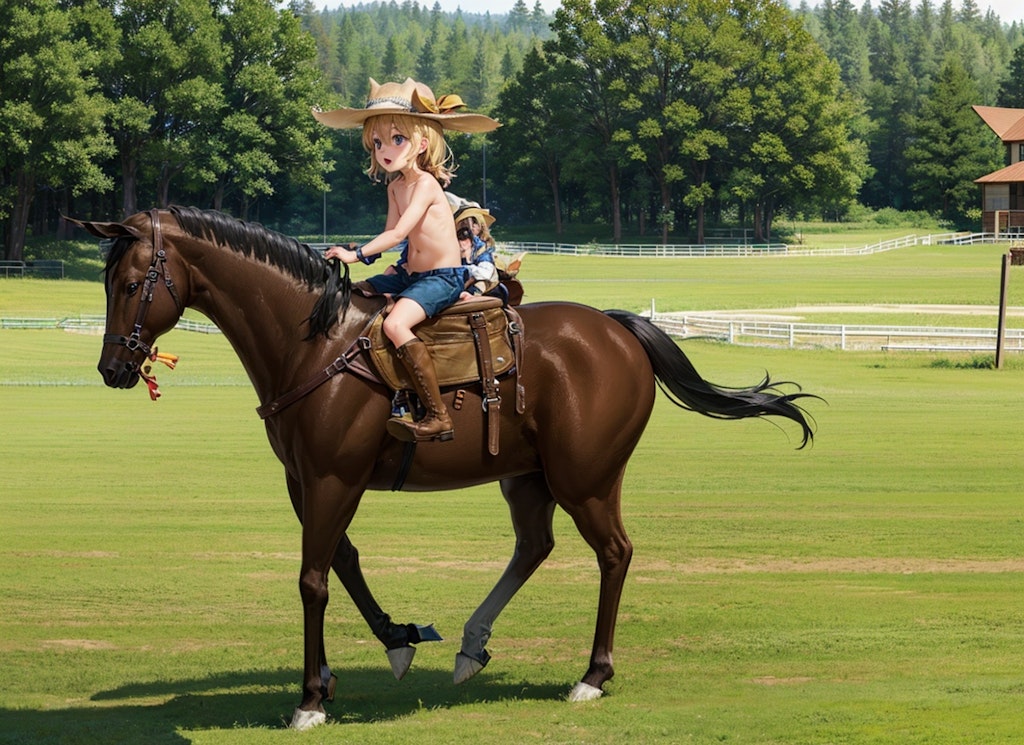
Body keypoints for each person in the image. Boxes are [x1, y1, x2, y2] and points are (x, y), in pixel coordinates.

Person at [314, 78, 500, 443]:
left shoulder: (427, 186)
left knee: (396, 325)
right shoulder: (394, 186)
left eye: (397, 139)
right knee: (356, 295)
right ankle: (386, 391)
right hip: (410, 275)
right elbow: (389, 236)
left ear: (422, 143)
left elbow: (398, 234)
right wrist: (371, 268)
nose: (386, 150)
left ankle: (437, 414)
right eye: (379, 142)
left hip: (442, 278)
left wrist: (355, 254)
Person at [453, 202, 499, 298]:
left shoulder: (482, 248)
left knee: (481, 284)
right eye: (462, 222)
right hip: (455, 282)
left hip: (476, 284)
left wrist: (465, 270)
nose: (469, 225)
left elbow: (485, 272)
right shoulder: (449, 244)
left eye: (474, 221)